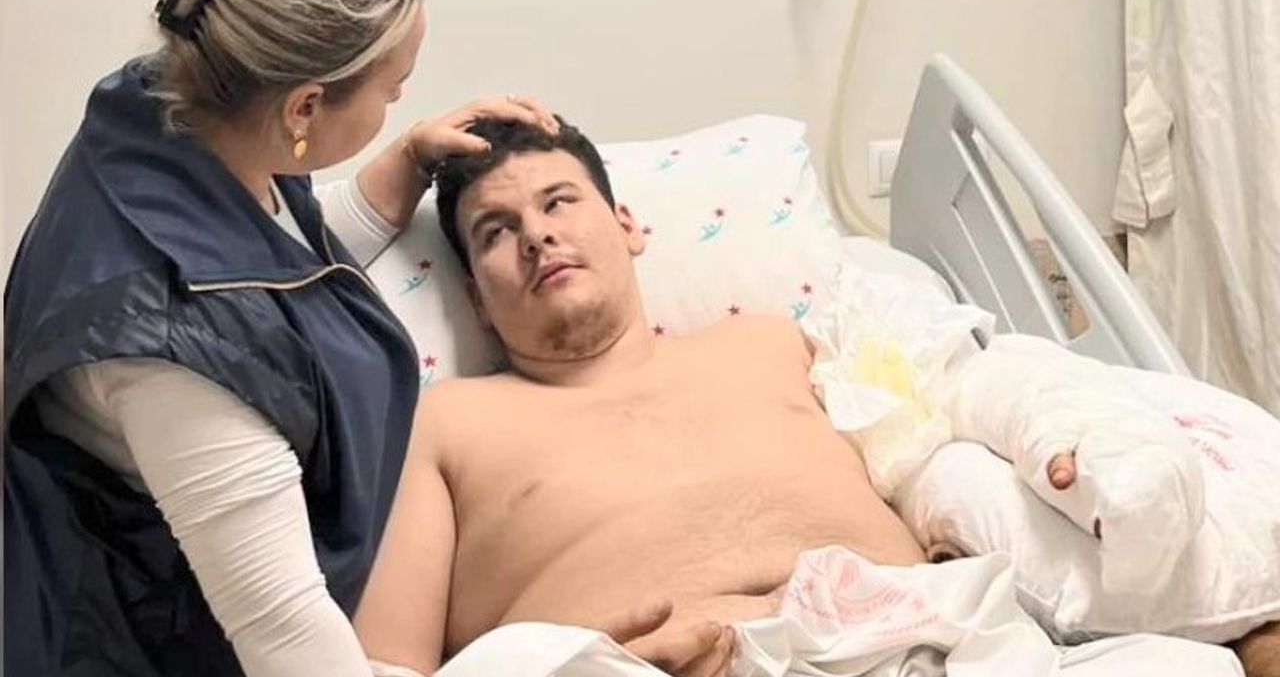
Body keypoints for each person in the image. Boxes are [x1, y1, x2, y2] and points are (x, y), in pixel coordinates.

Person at [353, 117, 1280, 677]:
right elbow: (377, 667)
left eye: (560, 202)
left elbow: (942, 414)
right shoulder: (444, 423)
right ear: (475, 296)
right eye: (495, 231)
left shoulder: (780, 342)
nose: (537, 237)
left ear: (628, 225)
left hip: (925, 644)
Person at [2, 0, 584, 676]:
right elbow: (286, 637)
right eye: (394, 90)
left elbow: (274, 255)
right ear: (303, 109)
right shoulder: (175, 359)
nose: (397, 106)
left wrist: (405, 162)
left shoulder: (178, 106)